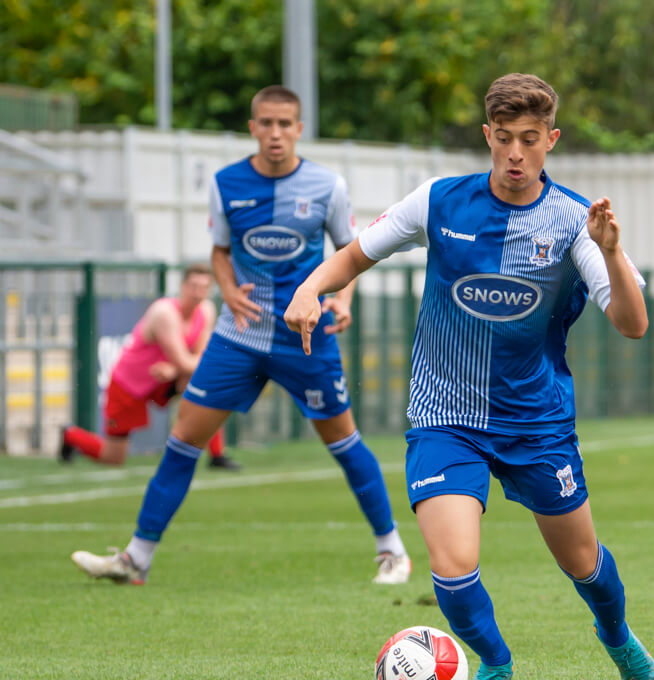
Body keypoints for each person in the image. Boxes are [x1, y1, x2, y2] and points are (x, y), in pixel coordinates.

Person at [283, 73, 654, 680]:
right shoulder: (439, 201)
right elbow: (352, 256)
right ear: (487, 136)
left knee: (583, 561)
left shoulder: (576, 223)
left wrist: (614, 253)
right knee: (453, 563)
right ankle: (493, 663)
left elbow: (633, 324)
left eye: (531, 140)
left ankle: (619, 637)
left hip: (537, 422)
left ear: (551, 141)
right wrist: (308, 288)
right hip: (444, 416)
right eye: (505, 139)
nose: (516, 154)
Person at [70, 85, 412, 586]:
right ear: (253, 128)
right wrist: (227, 291)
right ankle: (135, 560)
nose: (275, 134)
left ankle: (393, 551)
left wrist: (342, 299)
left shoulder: (327, 186)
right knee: (184, 438)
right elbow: (219, 252)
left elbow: (349, 251)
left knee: (342, 440)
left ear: (299, 129)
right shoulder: (226, 183)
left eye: (284, 124)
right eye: (265, 124)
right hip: (240, 334)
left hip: (304, 335)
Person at [59, 264, 240, 470]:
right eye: (193, 286)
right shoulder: (165, 313)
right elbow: (185, 361)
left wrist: (175, 370)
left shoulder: (206, 310)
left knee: (205, 385)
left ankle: (217, 455)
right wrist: (179, 367)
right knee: (114, 457)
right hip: (129, 384)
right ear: (182, 286)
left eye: (203, 287)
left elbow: (199, 357)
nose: (197, 293)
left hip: (164, 380)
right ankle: (70, 435)